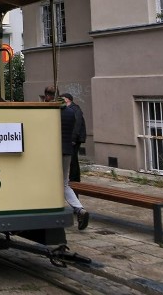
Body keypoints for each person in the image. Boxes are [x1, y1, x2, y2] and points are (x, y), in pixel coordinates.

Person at [60, 92, 89, 229]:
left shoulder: (61, 113)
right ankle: (79, 209)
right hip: (67, 151)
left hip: (58, 151)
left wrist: (73, 140)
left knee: (56, 182)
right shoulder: (71, 112)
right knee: (64, 183)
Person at [61, 92, 86, 183]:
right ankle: (74, 179)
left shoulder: (74, 109)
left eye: (62, 99)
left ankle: (75, 179)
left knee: (73, 159)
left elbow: (77, 124)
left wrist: (73, 138)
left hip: (75, 138)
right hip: (73, 138)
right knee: (72, 159)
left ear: (67, 99)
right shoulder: (72, 109)